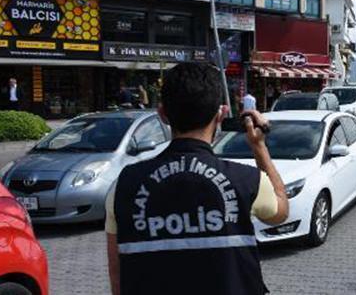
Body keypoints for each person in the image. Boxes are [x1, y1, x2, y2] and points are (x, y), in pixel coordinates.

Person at [106, 63, 289, 295]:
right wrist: (259, 146)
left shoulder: (124, 185)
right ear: (221, 115)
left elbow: (117, 273)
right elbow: (281, 211)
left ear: (162, 115)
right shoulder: (247, 180)